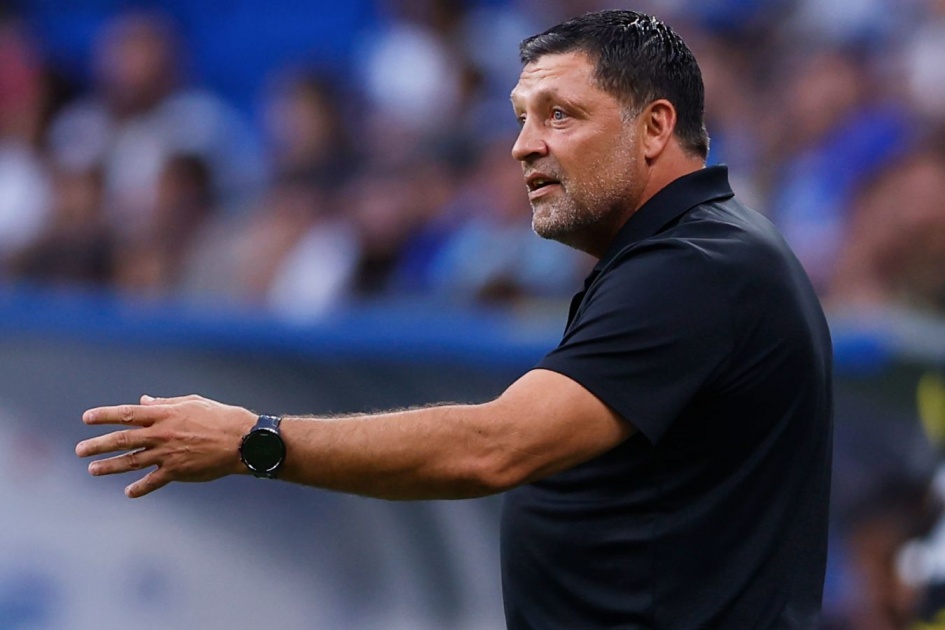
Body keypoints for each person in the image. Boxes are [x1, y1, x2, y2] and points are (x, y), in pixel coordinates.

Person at [76, 10, 833, 629]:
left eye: (559, 115)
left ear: (655, 126)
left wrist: (253, 441)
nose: (523, 146)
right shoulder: (685, 254)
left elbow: (491, 448)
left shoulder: (697, 266)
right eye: (521, 119)